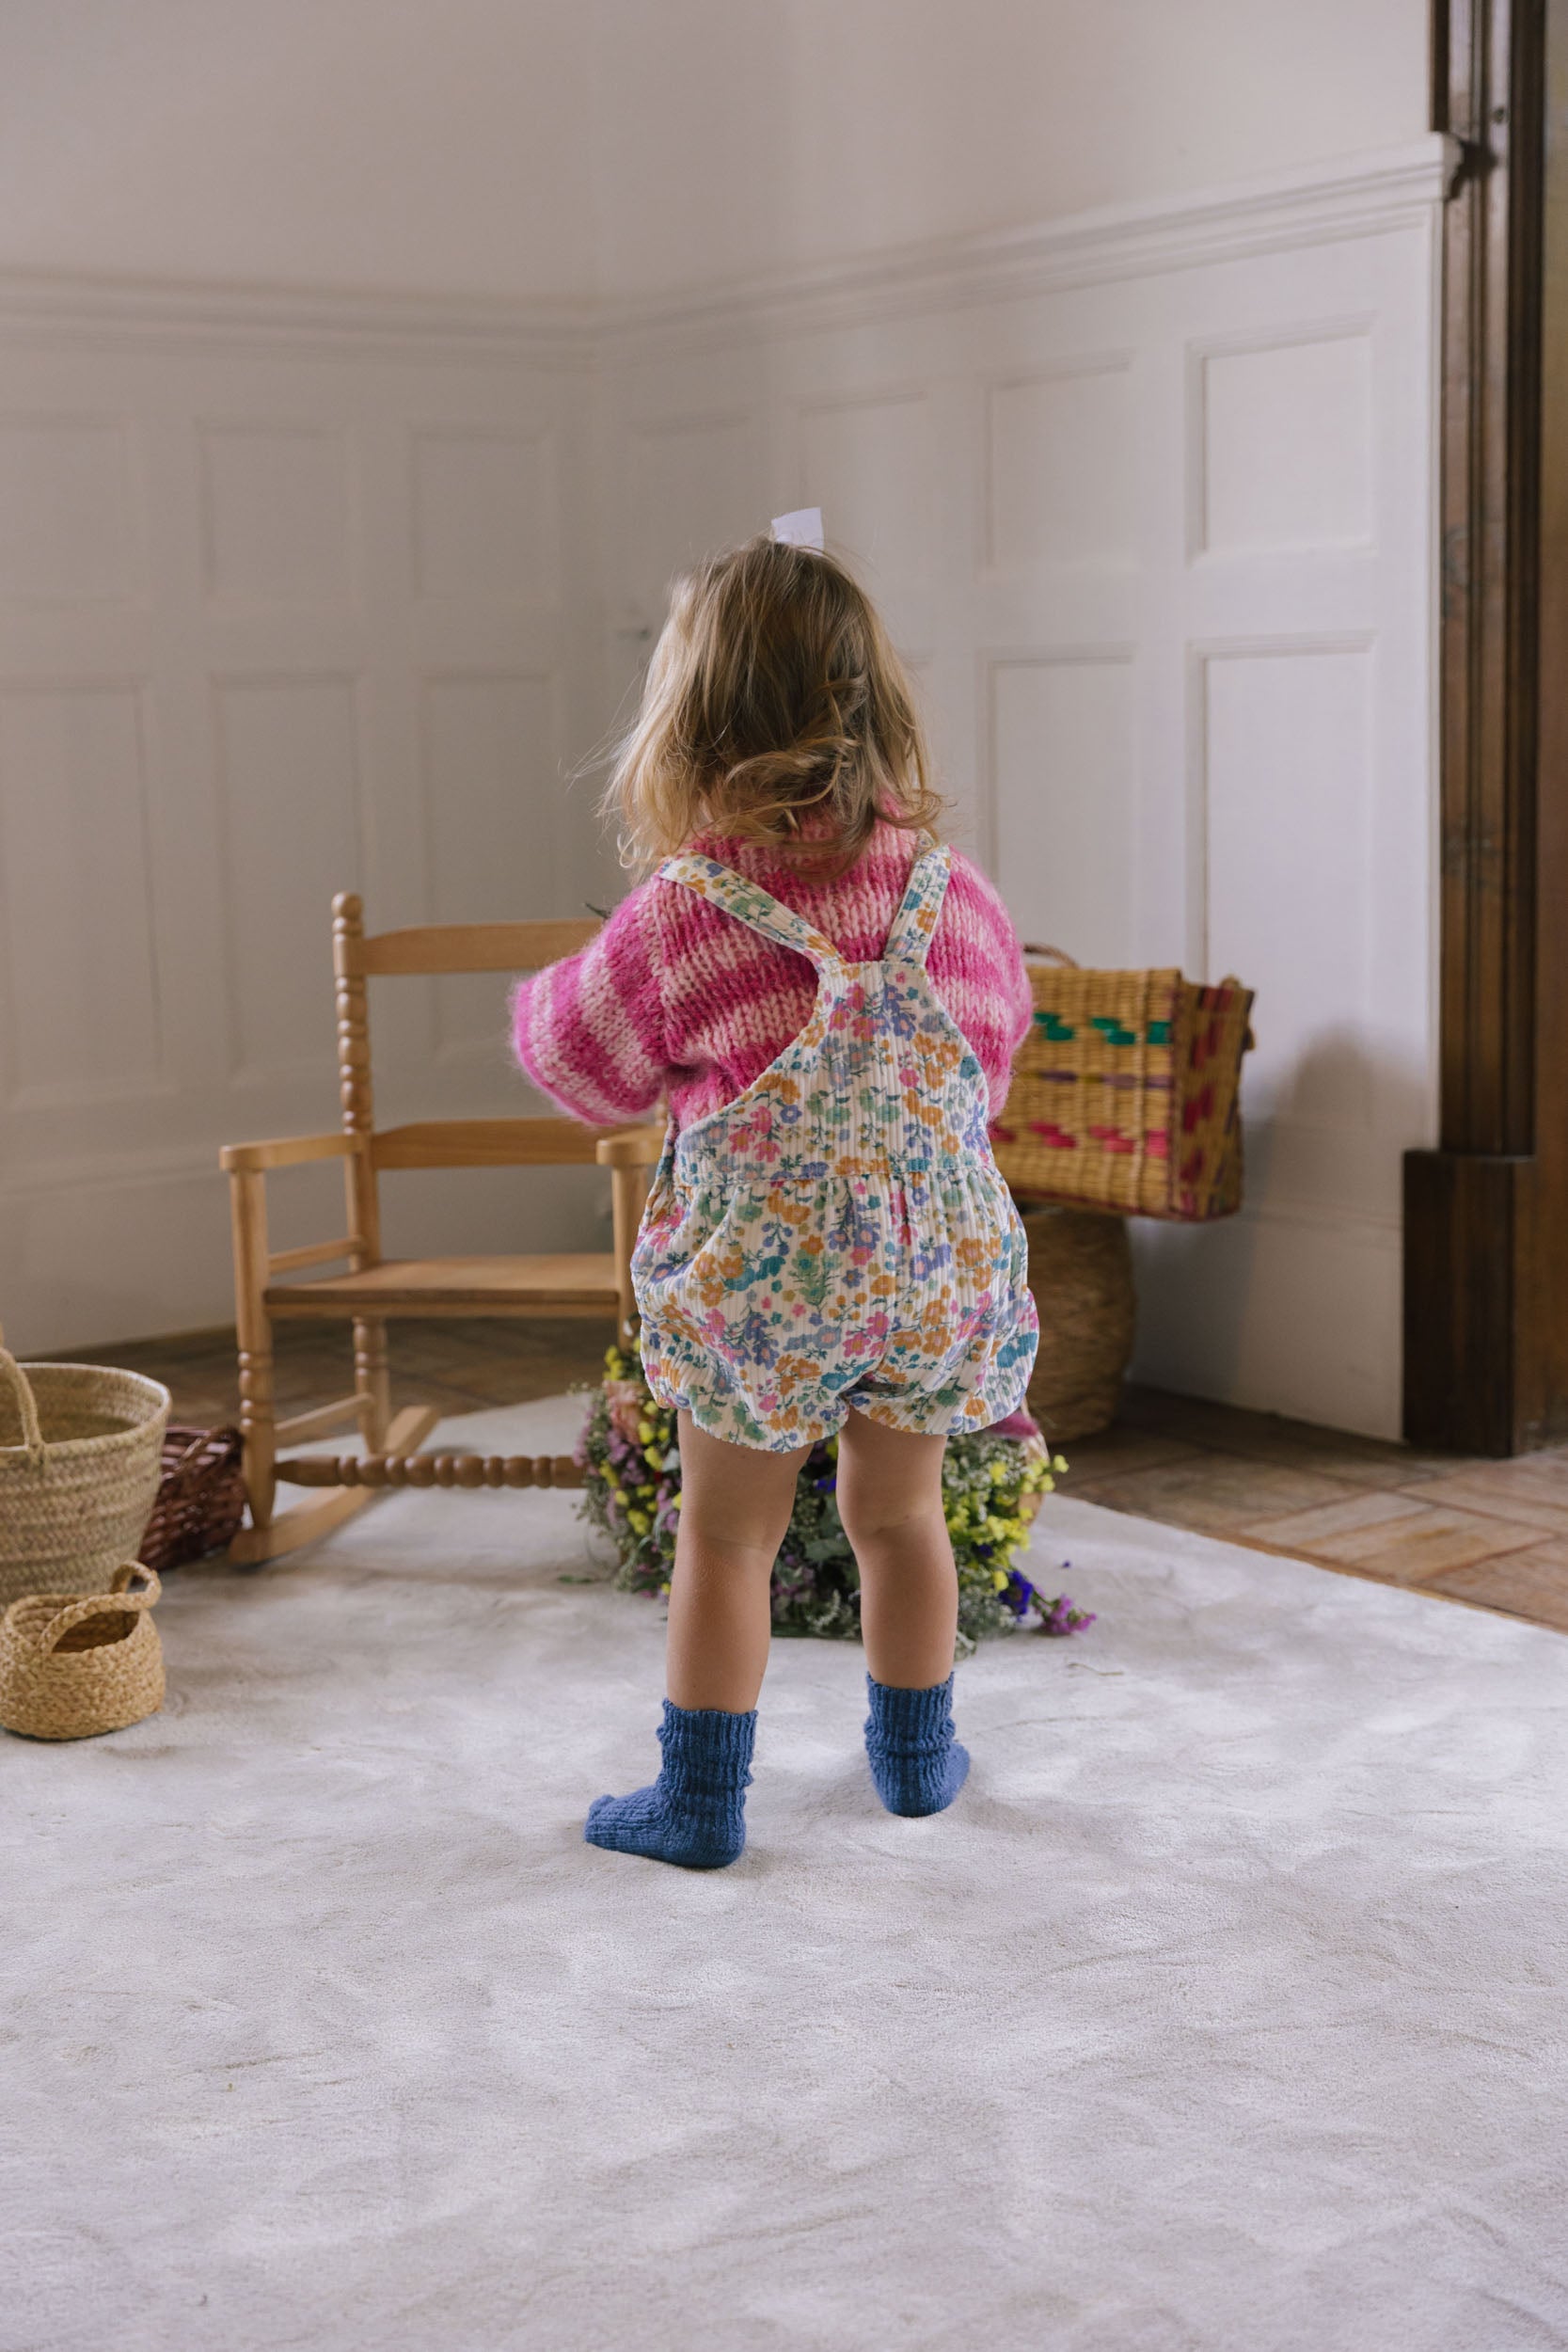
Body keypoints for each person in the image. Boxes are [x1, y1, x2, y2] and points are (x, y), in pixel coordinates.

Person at [513, 532, 1037, 1868]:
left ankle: (699, 1804)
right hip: (929, 1268)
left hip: (770, 1287)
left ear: (690, 721)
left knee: (727, 1535)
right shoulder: (956, 896)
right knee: (900, 1516)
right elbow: (984, 1070)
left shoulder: (688, 915)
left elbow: (579, 1066)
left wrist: (553, 990)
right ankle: (916, 1763)